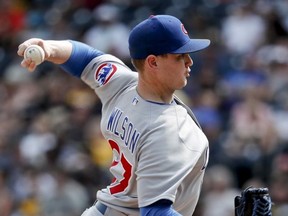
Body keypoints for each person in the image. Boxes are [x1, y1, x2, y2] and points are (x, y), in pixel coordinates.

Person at [18, 15, 210, 216]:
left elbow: (85, 58)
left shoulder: (121, 83)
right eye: (180, 56)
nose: (189, 61)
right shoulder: (171, 131)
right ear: (152, 62)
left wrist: (49, 48)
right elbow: (154, 212)